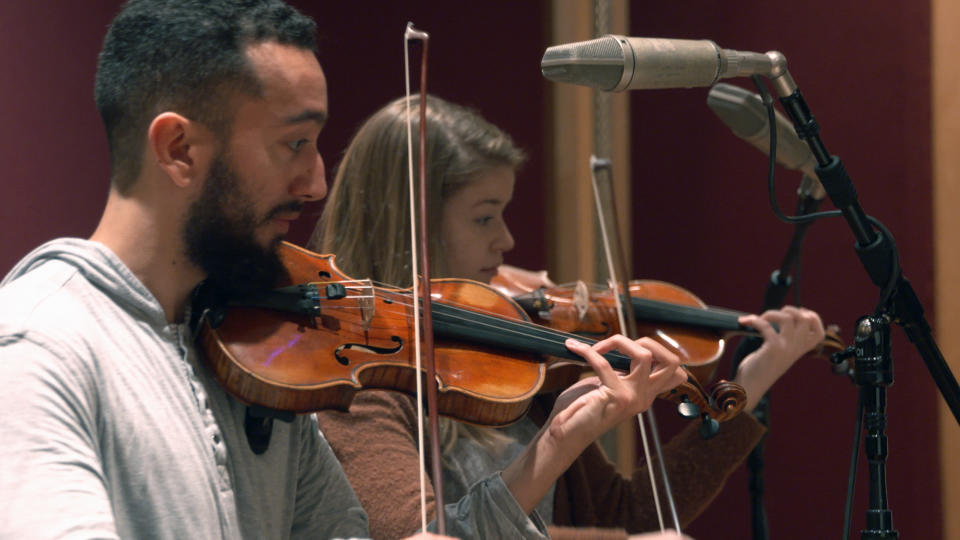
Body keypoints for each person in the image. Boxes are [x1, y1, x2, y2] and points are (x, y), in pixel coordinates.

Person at [0, 2, 695, 539]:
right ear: (179, 149)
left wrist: (558, 441)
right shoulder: (40, 349)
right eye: (293, 144)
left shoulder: (260, 347)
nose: (316, 182)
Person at [310, 95, 827, 540]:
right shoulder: (362, 388)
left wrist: (746, 390)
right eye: (485, 217)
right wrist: (557, 444)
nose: (507, 241)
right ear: (410, 225)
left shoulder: (517, 365)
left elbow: (628, 516)